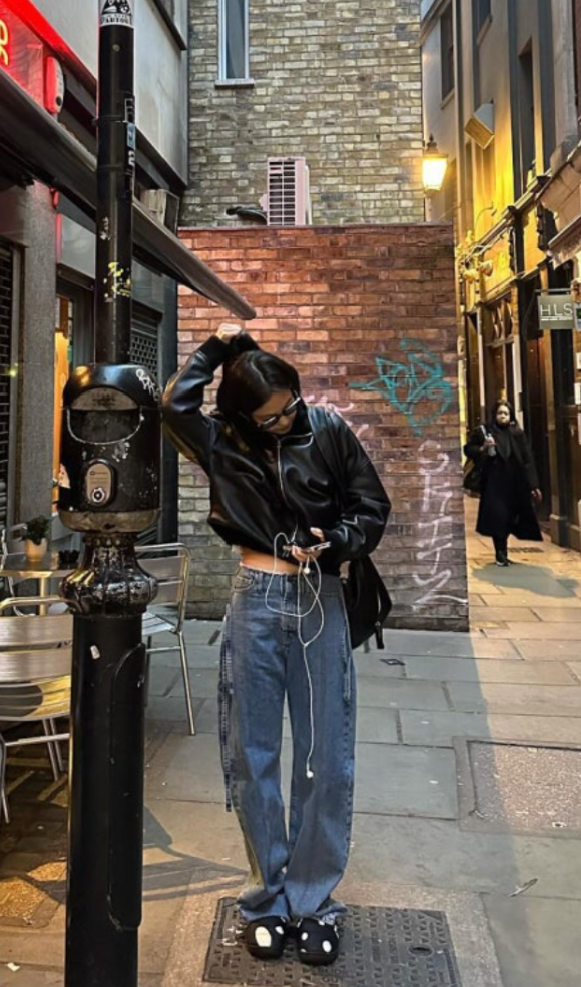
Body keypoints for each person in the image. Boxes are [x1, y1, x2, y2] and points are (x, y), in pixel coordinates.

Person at [161, 323, 391, 968]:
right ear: (243, 417)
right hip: (256, 598)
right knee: (252, 754)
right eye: (270, 417)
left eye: (291, 405)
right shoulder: (219, 441)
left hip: (320, 598)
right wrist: (215, 347)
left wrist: (337, 540)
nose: (287, 421)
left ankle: (314, 902)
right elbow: (174, 405)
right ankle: (265, 899)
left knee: (326, 758)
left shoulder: (328, 428)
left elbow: (371, 505)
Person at [464, 400, 541, 566]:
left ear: (511, 415)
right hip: (493, 482)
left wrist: (533, 485)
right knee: (497, 517)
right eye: (500, 413)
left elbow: (527, 460)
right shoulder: (485, 432)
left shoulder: (517, 434)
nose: (503, 416)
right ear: (494, 415)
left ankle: (503, 551)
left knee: (510, 517)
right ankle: (500, 552)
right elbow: (468, 449)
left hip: (514, 484)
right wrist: (483, 448)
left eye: (506, 413)